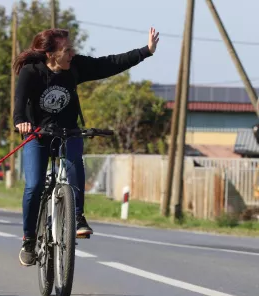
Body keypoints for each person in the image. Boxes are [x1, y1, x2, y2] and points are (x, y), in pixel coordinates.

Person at [13, 27, 159, 266]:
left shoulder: (75, 67)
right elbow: (19, 103)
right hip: (38, 135)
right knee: (34, 185)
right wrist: (21, 121)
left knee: (73, 165)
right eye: (67, 50)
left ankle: (77, 216)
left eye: (72, 49)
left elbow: (109, 64)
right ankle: (29, 239)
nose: (72, 53)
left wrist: (146, 51)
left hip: (68, 131)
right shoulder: (32, 72)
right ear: (50, 54)